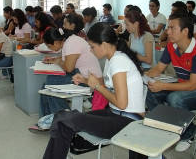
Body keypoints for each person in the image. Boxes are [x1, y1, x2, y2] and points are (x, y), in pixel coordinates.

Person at [43, 22, 147, 159]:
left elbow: (121, 103)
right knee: (64, 120)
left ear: (103, 44)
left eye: (92, 47)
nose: (91, 51)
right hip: (115, 114)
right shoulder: (113, 58)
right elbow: (107, 86)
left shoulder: (118, 62)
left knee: (65, 119)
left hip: (128, 121)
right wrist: (86, 81)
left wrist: (96, 86)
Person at [145, 12, 196, 152]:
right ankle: (167, 127)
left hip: (193, 87)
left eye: (172, 28)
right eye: (168, 27)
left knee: (174, 98)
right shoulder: (171, 46)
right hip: (181, 85)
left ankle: (188, 133)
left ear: (185, 31)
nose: (167, 31)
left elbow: (192, 85)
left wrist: (163, 86)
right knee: (151, 92)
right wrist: (144, 76)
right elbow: (158, 69)